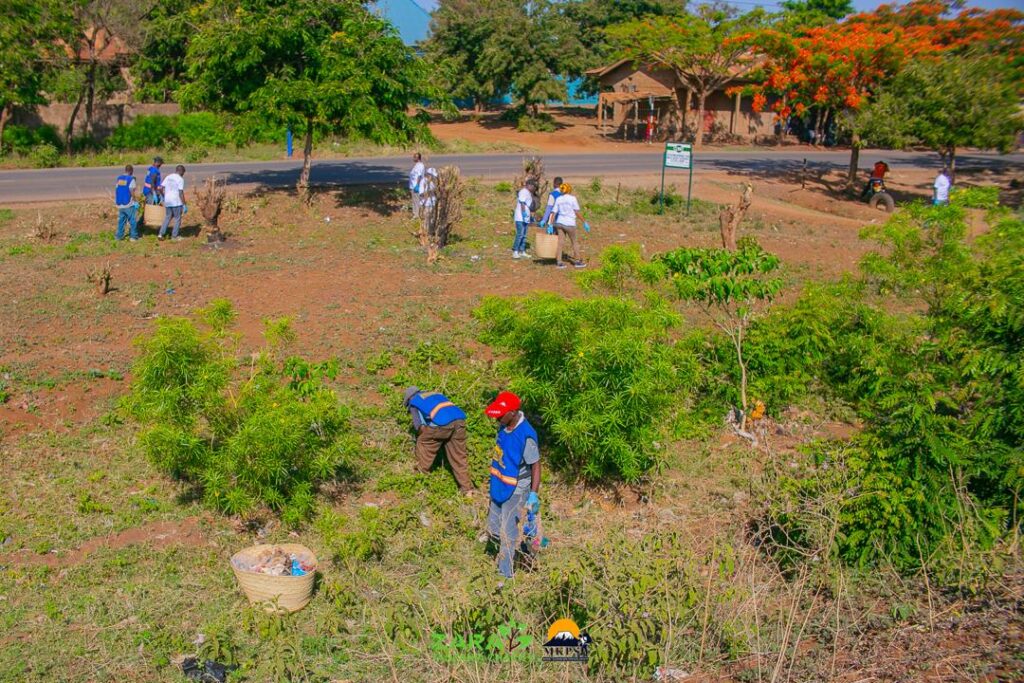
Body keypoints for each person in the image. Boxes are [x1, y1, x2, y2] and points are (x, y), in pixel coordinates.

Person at [483, 391, 541, 580]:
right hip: (499, 485)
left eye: (501, 414)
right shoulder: (503, 426)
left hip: (516, 491)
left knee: (508, 536)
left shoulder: (526, 435)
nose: (497, 417)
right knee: (492, 529)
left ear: (513, 412)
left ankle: (504, 577)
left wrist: (533, 494)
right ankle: (517, 552)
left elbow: (536, 465)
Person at [404, 387, 473, 495]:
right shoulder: (435, 394)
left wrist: (422, 435)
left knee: (423, 443)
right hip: (460, 421)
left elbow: (418, 425)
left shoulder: (414, 402)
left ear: (408, 399)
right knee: (459, 457)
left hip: (442, 423)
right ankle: (467, 490)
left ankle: (421, 479)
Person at [551, 183, 590, 269]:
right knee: (574, 242)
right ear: (569, 190)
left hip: (559, 223)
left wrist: (550, 224)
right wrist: (584, 222)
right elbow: (576, 212)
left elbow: (553, 212)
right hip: (570, 224)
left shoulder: (558, 199)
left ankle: (559, 262)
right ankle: (577, 261)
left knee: (560, 243)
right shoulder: (572, 199)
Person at [158, 165, 187, 241]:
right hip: (176, 201)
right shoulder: (180, 179)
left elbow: (160, 188)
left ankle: (161, 234)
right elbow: (180, 193)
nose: (183, 174)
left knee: (167, 217)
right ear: (181, 171)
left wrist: (163, 196)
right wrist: (184, 204)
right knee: (177, 218)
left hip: (168, 201)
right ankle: (174, 236)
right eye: (183, 172)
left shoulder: (168, 177)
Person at [512, 178, 538, 259]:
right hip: (520, 218)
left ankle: (522, 251)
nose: (535, 188)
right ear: (529, 185)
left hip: (525, 218)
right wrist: (523, 214)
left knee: (524, 235)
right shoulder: (523, 191)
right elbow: (522, 203)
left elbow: (528, 205)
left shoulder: (528, 193)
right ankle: (515, 251)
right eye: (534, 186)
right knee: (520, 234)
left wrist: (529, 217)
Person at [114, 164, 139, 242]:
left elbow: (117, 190)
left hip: (120, 203)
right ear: (131, 171)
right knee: (132, 220)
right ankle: (133, 236)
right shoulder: (131, 179)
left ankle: (119, 236)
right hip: (128, 204)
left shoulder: (119, 179)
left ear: (125, 170)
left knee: (121, 221)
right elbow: (132, 191)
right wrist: (135, 201)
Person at [418, 167, 439, 231]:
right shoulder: (423, 181)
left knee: (432, 219)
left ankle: (431, 231)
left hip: (432, 203)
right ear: (428, 174)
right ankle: (426, 232)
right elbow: (421, 194)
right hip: (426, 204)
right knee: (426, 219)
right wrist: (431, 191)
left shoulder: (433, 182)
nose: (433, 177)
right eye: (432, 176)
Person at [409, 152, 425, 218]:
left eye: (414, 157)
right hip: (413, 186)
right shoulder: (417, 165)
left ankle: (417, 215)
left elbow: (419, 176)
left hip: (416, 186)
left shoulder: (420, 165)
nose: (413, 158)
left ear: (418, 158)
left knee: (417, 201)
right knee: (414, 201)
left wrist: (417, 185)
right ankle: (415, 214)